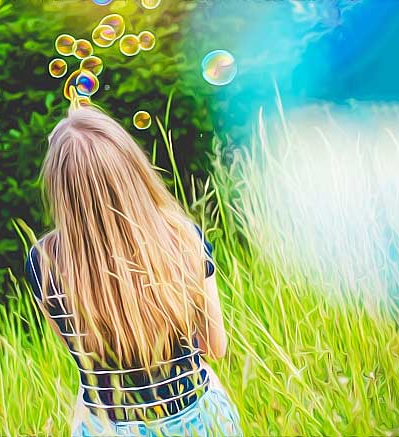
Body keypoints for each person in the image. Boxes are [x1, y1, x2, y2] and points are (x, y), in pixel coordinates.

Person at [24, 104, 242, 436]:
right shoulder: (183, 237)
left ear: (60, 190)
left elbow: (83, 355)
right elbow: (215, 347)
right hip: (197, 420)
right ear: (132, 169)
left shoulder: (43, 261)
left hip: (108, 427)